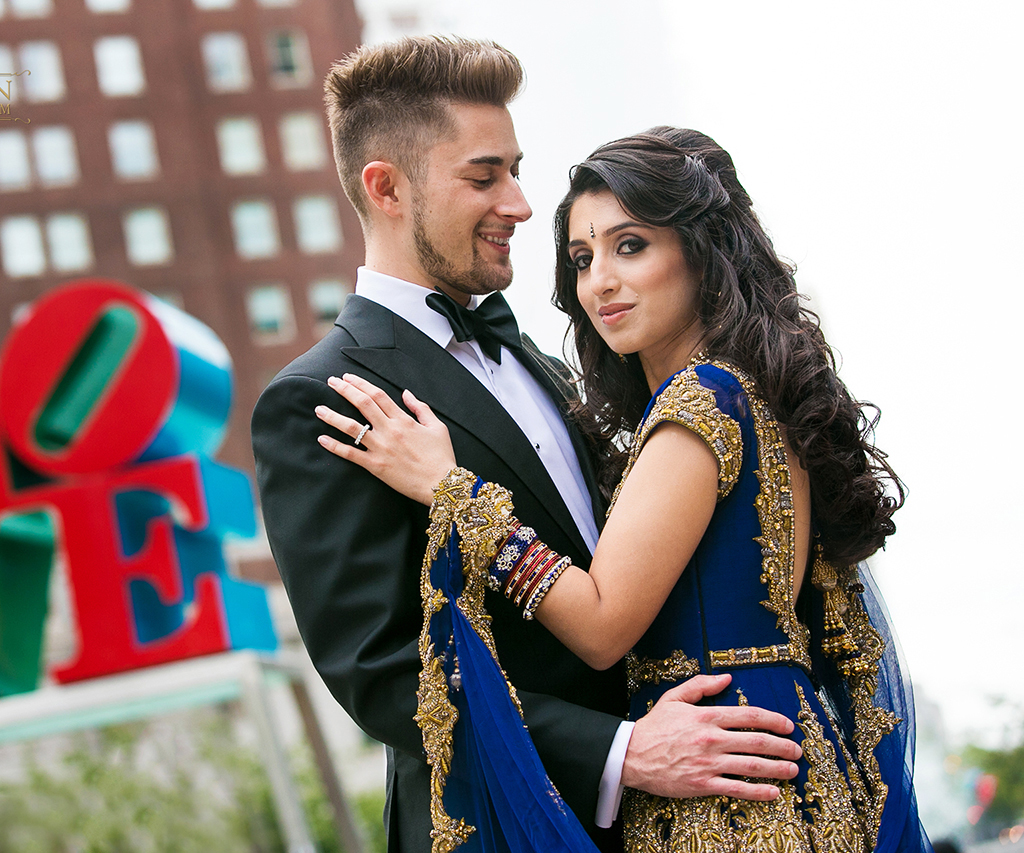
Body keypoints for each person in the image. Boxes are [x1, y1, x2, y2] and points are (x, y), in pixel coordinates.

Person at [251, 36, 803, 853]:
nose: (518, 202)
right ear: (387, 187)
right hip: (503, 825)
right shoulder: (318, 399)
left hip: (692, 804)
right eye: (485, 176)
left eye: (515, 168)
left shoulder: (544, 363)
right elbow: (384, 672)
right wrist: (622, 751)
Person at [316, 126, 932, 852]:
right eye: (582, 258)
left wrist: (452, 492)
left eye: (630, 245)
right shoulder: (761, 398)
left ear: (702, 253)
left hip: (726, 802)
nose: (598, 281)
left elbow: (605, 625)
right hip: (792, 767)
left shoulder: (699, 406)